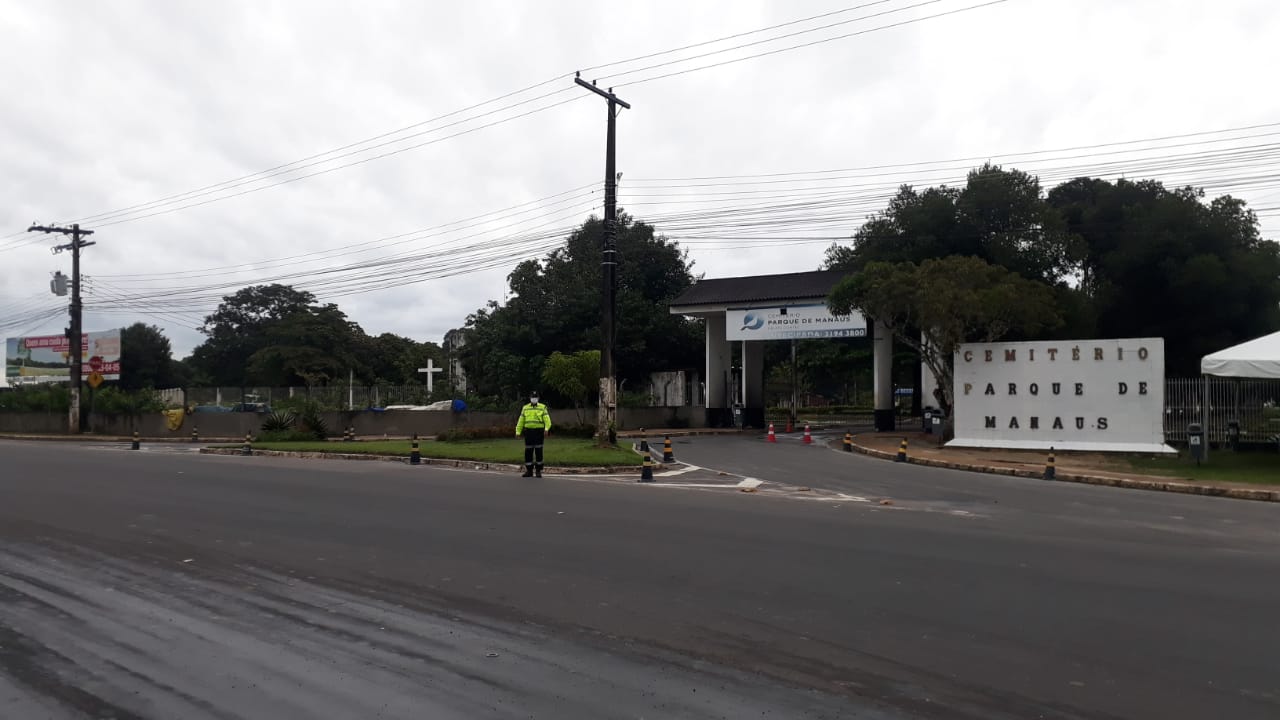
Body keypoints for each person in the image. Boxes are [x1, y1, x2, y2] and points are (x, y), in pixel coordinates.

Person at [515, 390, 552, 477]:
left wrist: (546, 429)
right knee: (528, 451)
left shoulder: (542, 407)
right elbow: (521, 421)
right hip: (528, 432)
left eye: (535, 397)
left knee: (539, 451)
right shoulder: (525, 408)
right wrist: (517, 431)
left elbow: (547, 420)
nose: (534, 399)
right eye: (532, 397)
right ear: (530, 398)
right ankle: (529, 471)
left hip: (539, 432)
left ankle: (538, 471)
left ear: (538, 398)